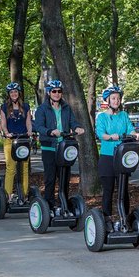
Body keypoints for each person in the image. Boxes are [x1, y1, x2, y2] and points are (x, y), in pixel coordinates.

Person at [95, 86, 139, 229]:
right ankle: (107, 220)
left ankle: (125, 219)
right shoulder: (102, 117)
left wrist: (136, 134)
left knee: (123, 190)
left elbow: (130, 129)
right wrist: (110, 136)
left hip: (122, 157)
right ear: (108, 100)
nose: (116, 101)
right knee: (108, 190)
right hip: (107, 157)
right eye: (114, 98)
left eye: (118, 98)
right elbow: (100, 133)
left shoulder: (124, 115)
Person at [34, 80, 84, 213]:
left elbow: (72, 122)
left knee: (64, 178)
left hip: (64, 148)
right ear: (49, 92)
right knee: (50, 179)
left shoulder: (66, 108)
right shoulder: (42, 109)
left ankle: (63, 204)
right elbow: (38, 126)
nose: (57, 94)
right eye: (54, 91)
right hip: (49, 148)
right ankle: (49, 206)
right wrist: (50, 131)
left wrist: (77, 127)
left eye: (59, 91)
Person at [0, 82, 34, 202]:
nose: (14, 94)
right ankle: (7, 196)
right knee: (11, 168)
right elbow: (3, 123)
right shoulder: (4, 107)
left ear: (19, 93)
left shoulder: (26, 106)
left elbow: (28, 122)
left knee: (24, 167)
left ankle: (24, 195)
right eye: (11, 92)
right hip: (10, 140)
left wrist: (30, 131)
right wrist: (6, 132)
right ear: (9, 94)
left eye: (15, 92)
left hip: (23, 140)